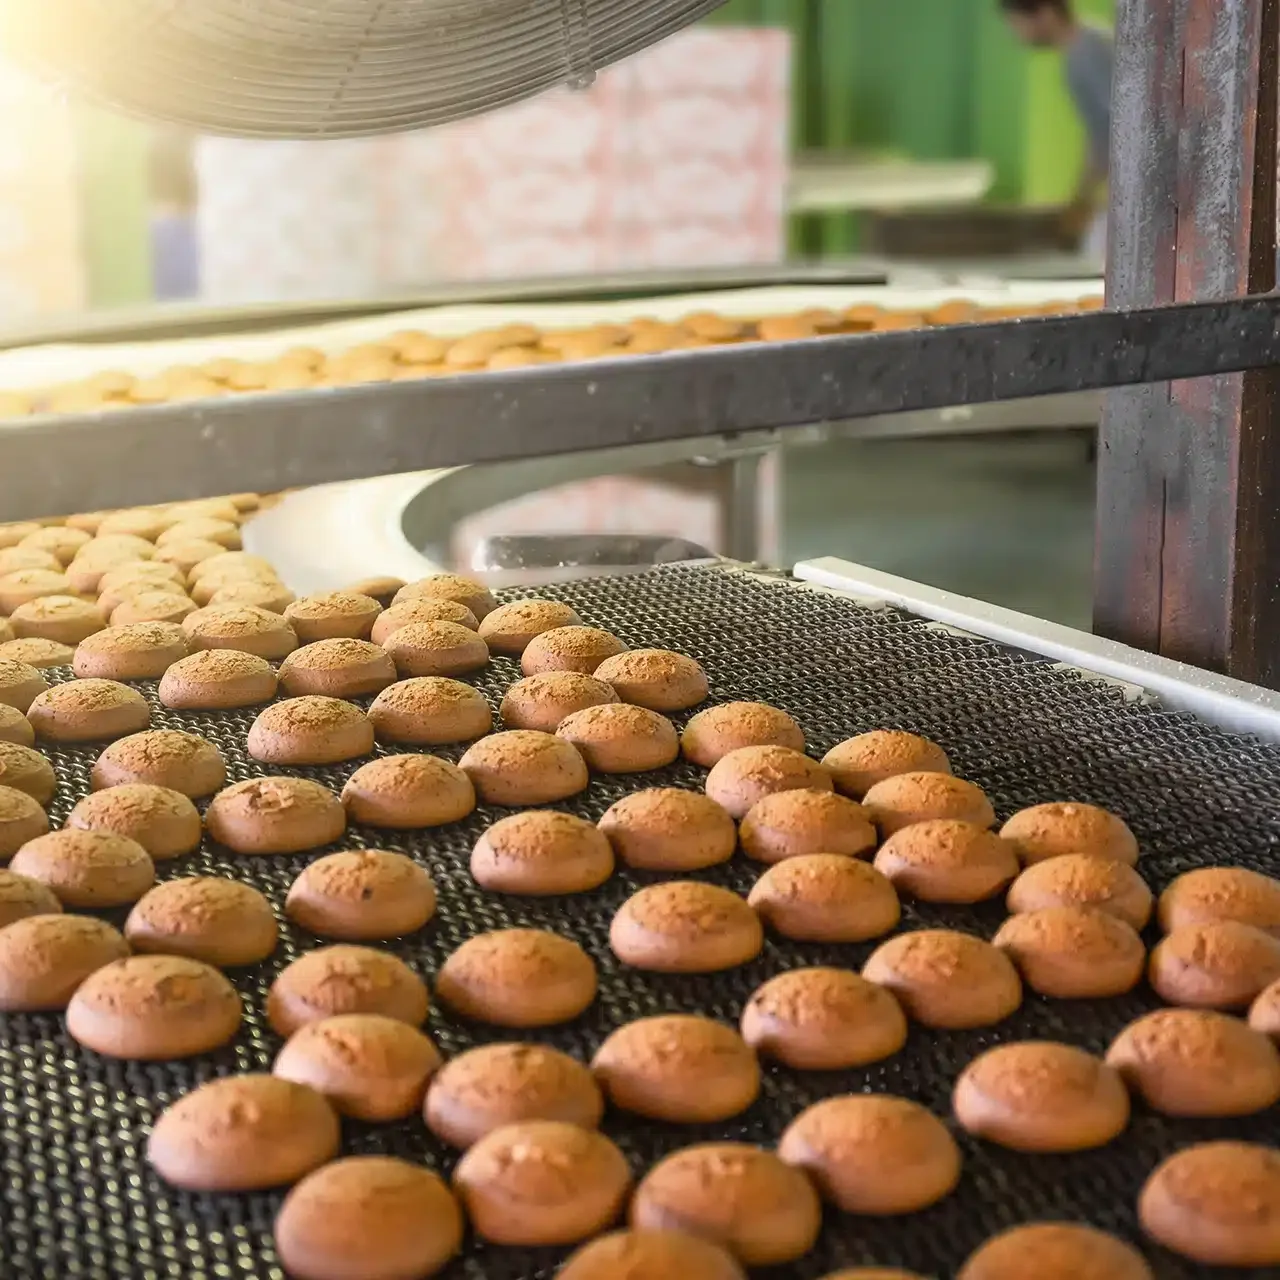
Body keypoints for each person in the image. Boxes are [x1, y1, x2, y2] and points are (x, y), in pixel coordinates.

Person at [1000, 0, 1113, 259]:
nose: (1015, 34)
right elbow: (1099, 134)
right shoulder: (1083, 50)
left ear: (1045, 13)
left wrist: (1083, 200)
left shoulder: (1087, 53)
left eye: (1017, 24)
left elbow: (1114, 130)